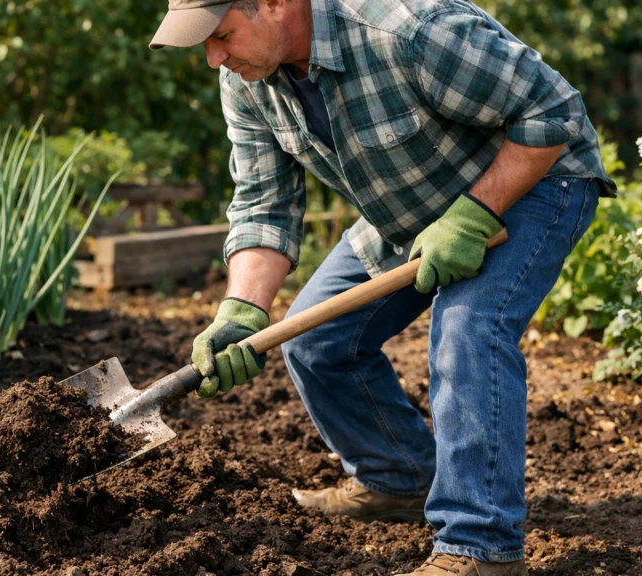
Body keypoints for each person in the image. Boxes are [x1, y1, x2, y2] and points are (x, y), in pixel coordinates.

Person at [150, 0, 615, 573]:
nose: (212, 58)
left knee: (467, 329)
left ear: (274, 4)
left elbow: (553, 110)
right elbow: (264, 203)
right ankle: (398, 477)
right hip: (414, 203)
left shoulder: (409, 31)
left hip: (536, 182)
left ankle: (481, 546)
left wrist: (474, 213)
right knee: (317, 341)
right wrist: (242, 308)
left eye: (221, 36)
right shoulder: (249, 79)